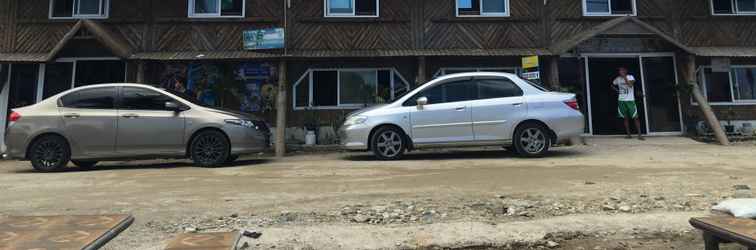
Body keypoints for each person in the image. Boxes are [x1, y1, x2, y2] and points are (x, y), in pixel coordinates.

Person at [612, 67, 644, 140]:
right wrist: (617, 90)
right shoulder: (617, 79)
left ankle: (640, 135)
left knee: (635, 117)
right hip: (621, 100)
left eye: (622, 70)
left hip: (630, 100)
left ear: (626, 71)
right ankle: (628, 134)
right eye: (620, 70)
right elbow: (612, 85)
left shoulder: (630, 77)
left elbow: (630, 85)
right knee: (625, 118)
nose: (621, 71)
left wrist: (624, 77)